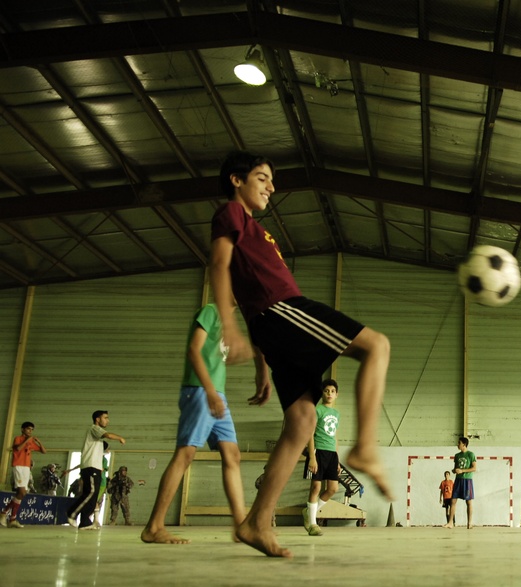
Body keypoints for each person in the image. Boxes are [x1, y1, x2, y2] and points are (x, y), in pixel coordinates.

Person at [210, 150, 392, 557]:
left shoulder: (256, 230)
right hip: (283, 309)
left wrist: (261, 364)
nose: (270, 186)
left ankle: (256, 523)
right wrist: (228, 325)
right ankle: (365, 446)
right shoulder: (231, 214)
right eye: (261, 177)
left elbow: (247, 287)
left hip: (271, 325)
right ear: (236, 180)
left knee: (302, 420)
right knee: (376, 345)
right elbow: (219, 267)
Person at [141, 303, 248, 545]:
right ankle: (154, 526)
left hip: (217, 394)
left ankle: (241, 525)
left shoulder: (229, 323)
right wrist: (209, 390)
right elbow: (194, 350)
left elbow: (217, 357)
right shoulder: (211, 311)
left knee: (232, 454)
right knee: (185, 454)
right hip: (201, 391)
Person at [66, 411, 126, 530]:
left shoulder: (96, 436)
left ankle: (85, 522)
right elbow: (108, 435)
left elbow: (104, 444)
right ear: (97, 419)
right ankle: (72, 513)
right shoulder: (94, 428)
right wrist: (120, 438)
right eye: (105, 418)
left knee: (93, 497)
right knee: (90, 492)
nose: (107, 420)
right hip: (90, 466)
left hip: (96, 468)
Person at [302, 379, 342, 537]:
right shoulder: (317, 410)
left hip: (331, 453)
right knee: (316, 488)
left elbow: (335, 436)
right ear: (322, 393)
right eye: (326, 391)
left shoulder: (336, 413)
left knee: (333, 489)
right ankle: (312, 524)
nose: (329, 394)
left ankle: (308, 511)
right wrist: (312, 457)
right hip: (318, 452)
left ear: (336, 394)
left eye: (332, 391)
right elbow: (309, 434)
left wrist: (337, 459)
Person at [1, 422, 47, 528]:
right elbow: (18, 448)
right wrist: (27, 440)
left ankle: (11, 518)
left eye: (31, 429)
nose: (30, 431)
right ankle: (4, 513)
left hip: (26, 468)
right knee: (21, 492)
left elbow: (44, 451)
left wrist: (38, 442)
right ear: (22, 430)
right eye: (28, 429)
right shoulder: (18, 438)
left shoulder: (31, 443)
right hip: (18, 466)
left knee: (23, 493)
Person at [446, 436, 476, 529]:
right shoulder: (457, 455)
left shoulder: (471, 454)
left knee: (468, 502)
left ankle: (469, 523)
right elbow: (455, 468)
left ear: (464, 444)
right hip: (458, 480)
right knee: (453, 500)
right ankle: (450, 523)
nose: (457, 444)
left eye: (459, 443)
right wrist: (455, 470)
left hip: (467, 480)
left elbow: (474, 468)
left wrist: (462, 471)